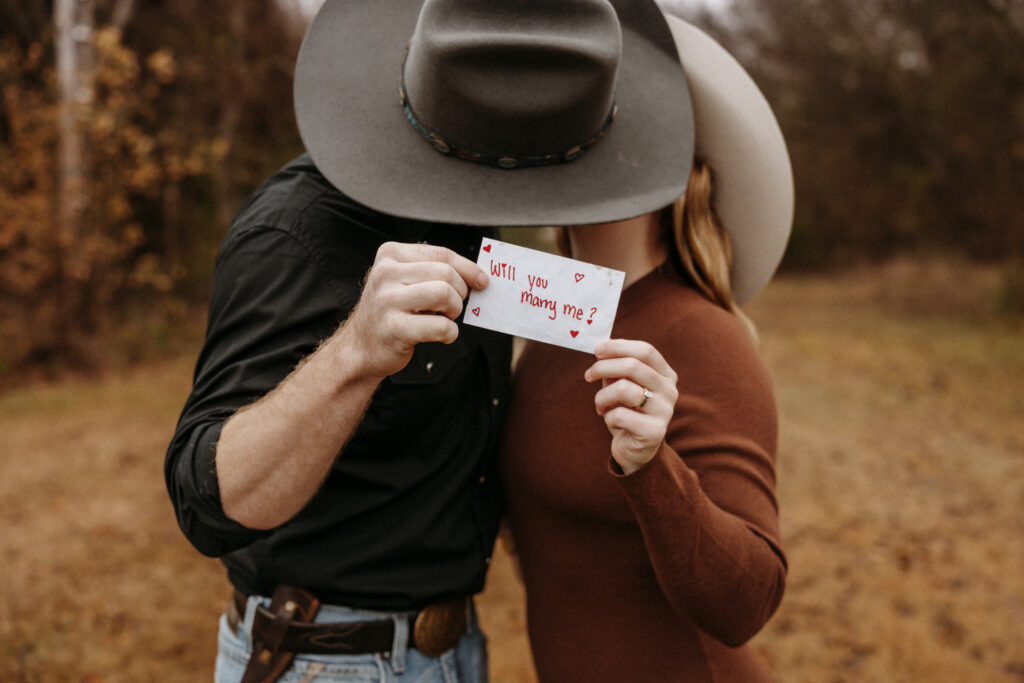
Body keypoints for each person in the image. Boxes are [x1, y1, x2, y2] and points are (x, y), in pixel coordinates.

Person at [165, 1, 791, 682]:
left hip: (455, 651)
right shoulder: (298, 232)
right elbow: (207, 499)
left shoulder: (519, 273)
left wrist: (647, 468)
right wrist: (353, 354)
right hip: (330, 657)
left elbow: (737, 589)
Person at [499, 14, 794, 683]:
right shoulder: (553, 323)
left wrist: (648, 464)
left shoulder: (703, 336)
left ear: (667, 158)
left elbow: (748, 599)